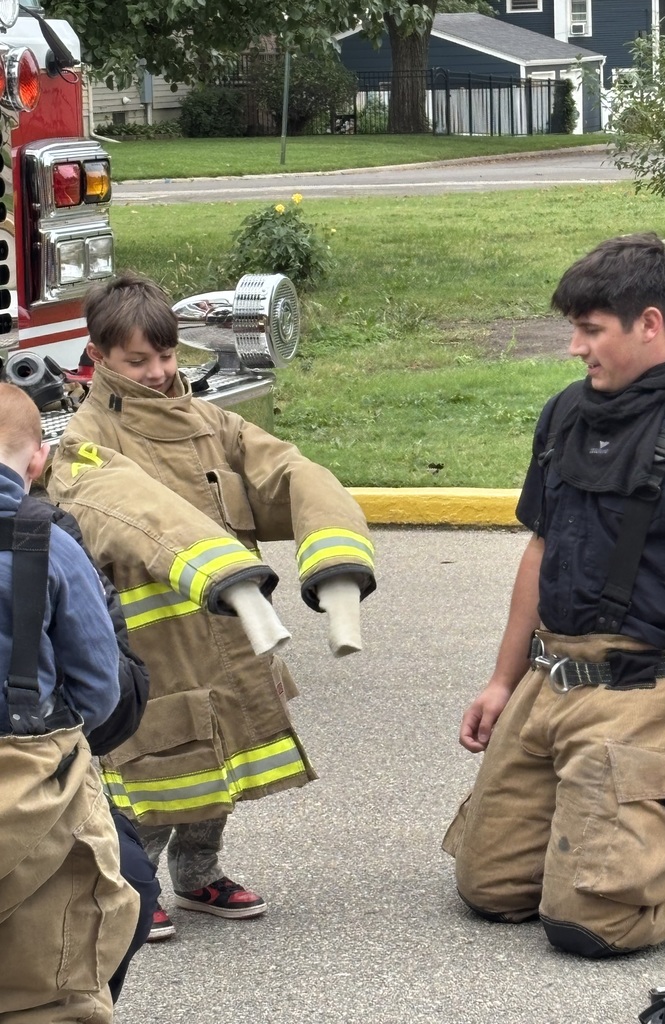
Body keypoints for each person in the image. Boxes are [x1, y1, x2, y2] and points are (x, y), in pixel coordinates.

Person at [442, 233, 665, 957]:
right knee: (489, 891)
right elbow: (541, 549)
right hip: (555, 683)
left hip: (658, 688)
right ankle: (600, 819)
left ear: (650, 325)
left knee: (593, 924)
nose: (574, 347)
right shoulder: (566, 415)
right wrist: (502, 681)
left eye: (590, 330)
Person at [47, 273, 376, 942]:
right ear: (100, 355)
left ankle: (201, 876)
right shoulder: (87, 441)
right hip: (156, 646)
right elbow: (136, 512)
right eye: (139, 361)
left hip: (226, 633)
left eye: (167, 356)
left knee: (221, 766)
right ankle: (130, 884)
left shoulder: (208, 420)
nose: (159, 372)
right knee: (157, 776)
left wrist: (336, 553)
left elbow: (284, 469)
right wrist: (224, 572)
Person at [0, 382, 139, 1022]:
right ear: (38, 460)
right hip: (33, 787)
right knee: (51, 980)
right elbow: (99, 689)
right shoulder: (47, 543)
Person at [24, 485, 159, 1002]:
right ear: (38, 457)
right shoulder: (48, 541)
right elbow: (104, 700)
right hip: (28, 775)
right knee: (129, 889)